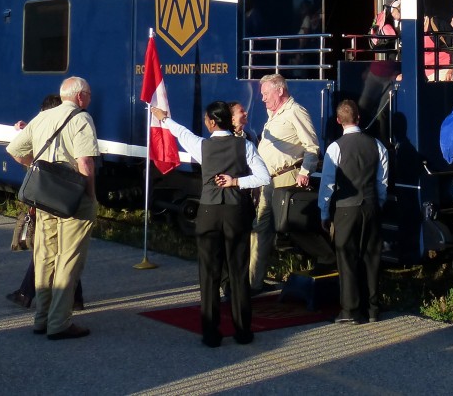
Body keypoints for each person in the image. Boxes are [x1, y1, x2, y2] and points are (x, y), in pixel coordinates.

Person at [151, 100, 270, 347]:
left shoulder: (202, 146)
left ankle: (211, 333)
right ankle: (243, 331)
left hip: (209, 212)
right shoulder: (245, 145)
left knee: (209, 273)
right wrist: (236, 182)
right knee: (238, 271)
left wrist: (164, 118)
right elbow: (263, 176)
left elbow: (181, 132)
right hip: (236, 211)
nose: (205, 122)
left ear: (213, 122)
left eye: (206, 119)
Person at [6, 76, 99, 340]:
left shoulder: (43, 116)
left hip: (44, 198)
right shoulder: (81, 118)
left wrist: (35, 168)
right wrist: (91, 196)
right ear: (80, 96)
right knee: (68, 260)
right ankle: (59, 323)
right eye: (89, 94)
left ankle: (41, 318)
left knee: (45, 257)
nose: (90, 99)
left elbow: (14, 149)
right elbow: (85, 163)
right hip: (72, 200)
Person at [248, 73, 335, 292]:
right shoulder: (274, 113)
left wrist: (305, 171)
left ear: (280, 90)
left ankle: (327, 257)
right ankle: (253, 283)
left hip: (286, 178)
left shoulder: (296, 112)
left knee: (292, 225)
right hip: (268, 181)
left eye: (266, 93)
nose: (263, 99)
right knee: (260, 229)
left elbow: (312, 146)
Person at [7, 94, 85, 312]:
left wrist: (34, 161)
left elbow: (16, 151)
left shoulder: (47, 127)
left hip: (48, 198)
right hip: (66, 196)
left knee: (47, 250)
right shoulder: (69, 126)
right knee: (63, 250)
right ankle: (75, 298)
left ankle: (27, 294)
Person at [318, 99, 390, 324]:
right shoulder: (377, 145)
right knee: (372, 257)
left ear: (339, 121)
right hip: (370, 206)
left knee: (347, 259)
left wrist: (324, 212)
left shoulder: (335, 147)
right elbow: (382, 181)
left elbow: (327, 183)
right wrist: (377, 202)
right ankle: (373, 308)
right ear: (359, 118)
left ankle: (350, 310)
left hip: (346, 209)